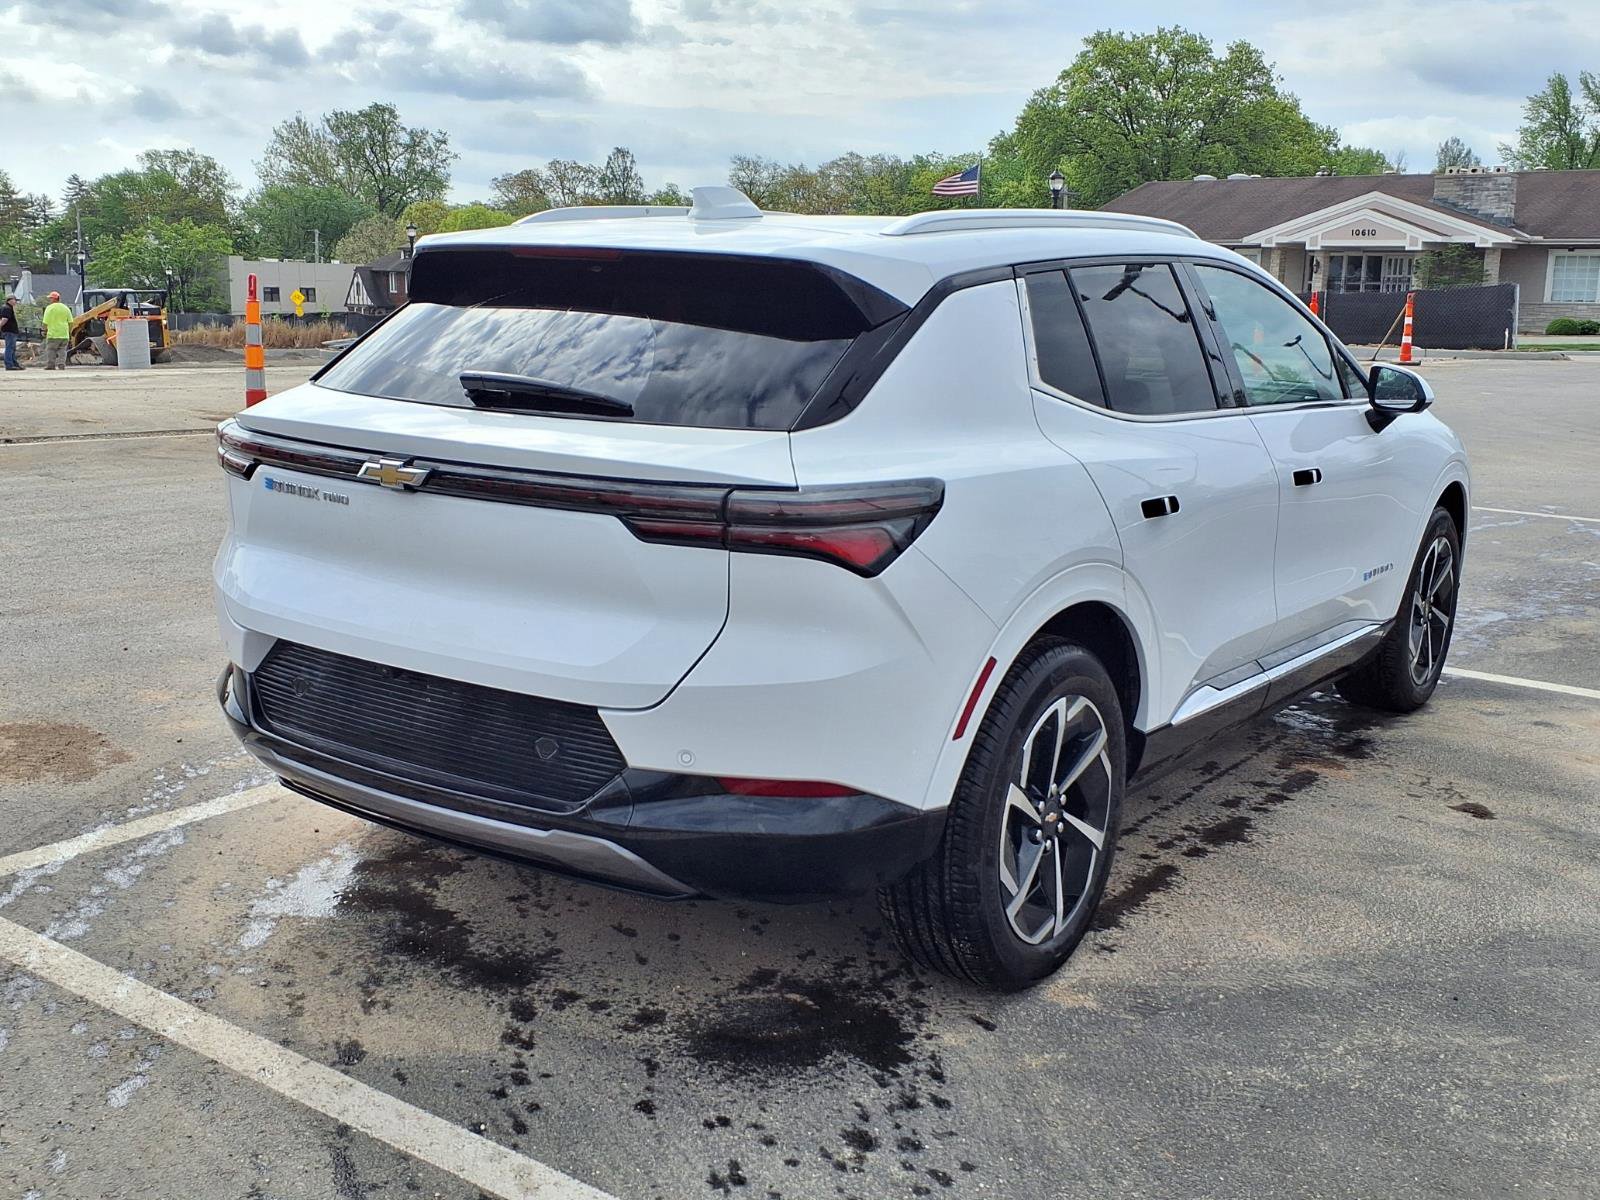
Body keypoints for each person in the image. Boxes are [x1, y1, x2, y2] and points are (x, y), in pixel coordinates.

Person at [41, 290, 71, 370]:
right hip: (64, 334)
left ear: (54, 299)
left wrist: (44, 330)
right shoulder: (65, 308)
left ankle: (51, 365)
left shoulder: (49, 308)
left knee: (51, 350)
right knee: (62, 350)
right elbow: (70, 321)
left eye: (50, 298)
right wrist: (69, 331)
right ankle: (61, 364)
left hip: (53, 334)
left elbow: (45, 322)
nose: (50, 300)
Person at [0, 295, 21, 370]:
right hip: (10, 331)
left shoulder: (8, 308)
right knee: (10, 348)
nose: (16, 302)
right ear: (10, 300)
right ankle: (9, 364)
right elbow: (4, 319)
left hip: (10, 331)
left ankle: (14, 363)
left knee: (12, 348)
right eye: (15, 300)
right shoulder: (7, 308)